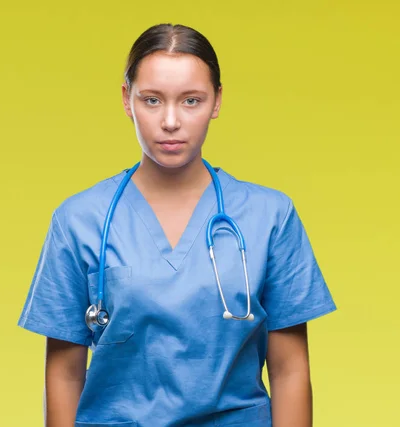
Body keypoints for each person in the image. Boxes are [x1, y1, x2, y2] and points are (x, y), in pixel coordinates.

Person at [17, 23, 337, 427]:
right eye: (151, 100)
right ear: (126, 99)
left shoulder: (270, 216)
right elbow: (63, 374)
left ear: (217, 101)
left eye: (191, 101)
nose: (170, 121)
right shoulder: (79, 220)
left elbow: (290, 372)